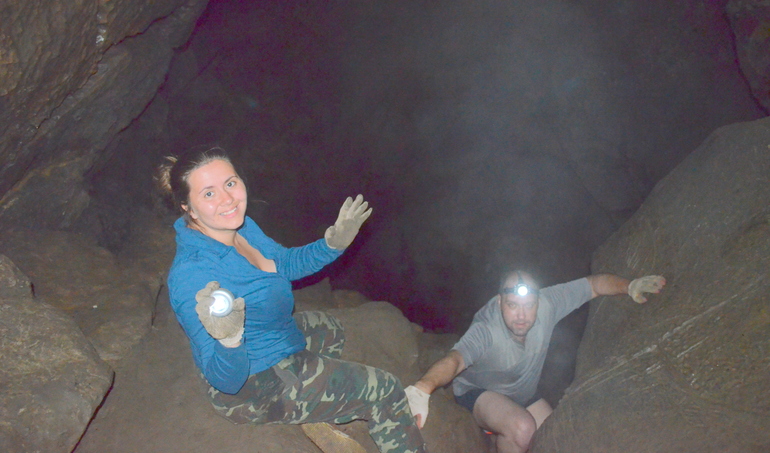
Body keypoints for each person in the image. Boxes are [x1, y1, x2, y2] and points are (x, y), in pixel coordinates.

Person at [156, 145, 427, 453]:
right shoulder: (192, 276)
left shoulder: (241, 227)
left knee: (330, 329)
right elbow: (225, 381)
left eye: (230, 183)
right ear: (188, 208)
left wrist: (332, 245)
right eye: (209, 193)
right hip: (252, 383)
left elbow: (284, 263)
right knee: (387, 390)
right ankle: (307, 400)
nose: (228, 199)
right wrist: (229, 340)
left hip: (269, 335)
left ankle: (318, 405)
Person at [404, 270, 665, 453]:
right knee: (522, 429)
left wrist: (629, 286)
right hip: (477, 393)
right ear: (499, 302)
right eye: (512, 305)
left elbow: (594, 285)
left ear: (538, 301)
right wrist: (422, 388)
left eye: (529, 305)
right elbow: (455, 360)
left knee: (556, 435)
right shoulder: (486, 328)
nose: (521, 315)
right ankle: (495, 435)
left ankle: (497, 441)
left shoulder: (549, 304)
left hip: (521, 393)